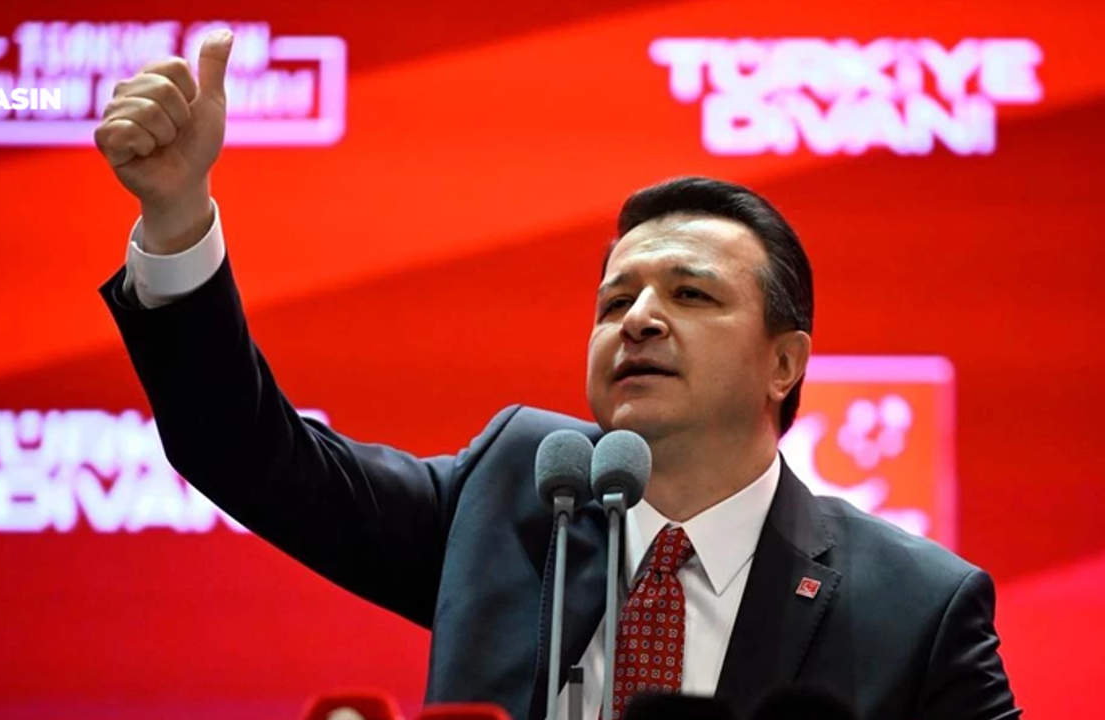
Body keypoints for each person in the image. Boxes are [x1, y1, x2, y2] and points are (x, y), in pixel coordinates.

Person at [94, 30, 1019, 720]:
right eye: (615, 302)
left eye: (691, 294)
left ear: (785, 363)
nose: (639, 319)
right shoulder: (520, 491)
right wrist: (177, 217)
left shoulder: (915, 605)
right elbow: (249, 453)